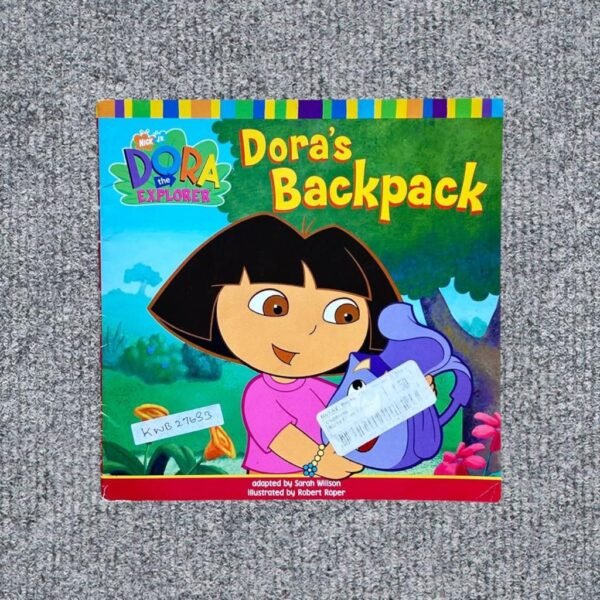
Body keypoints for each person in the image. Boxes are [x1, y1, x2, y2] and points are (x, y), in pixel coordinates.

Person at [149, 214, 400, 478]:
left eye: (343, 315)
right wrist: (320, 461)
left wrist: (406, 388)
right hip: (271, 484)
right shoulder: (260, 394)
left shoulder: (321, 389)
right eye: (274, 307)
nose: (307, 330)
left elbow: (355, 411)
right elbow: (283, 438)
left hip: (321, 485)